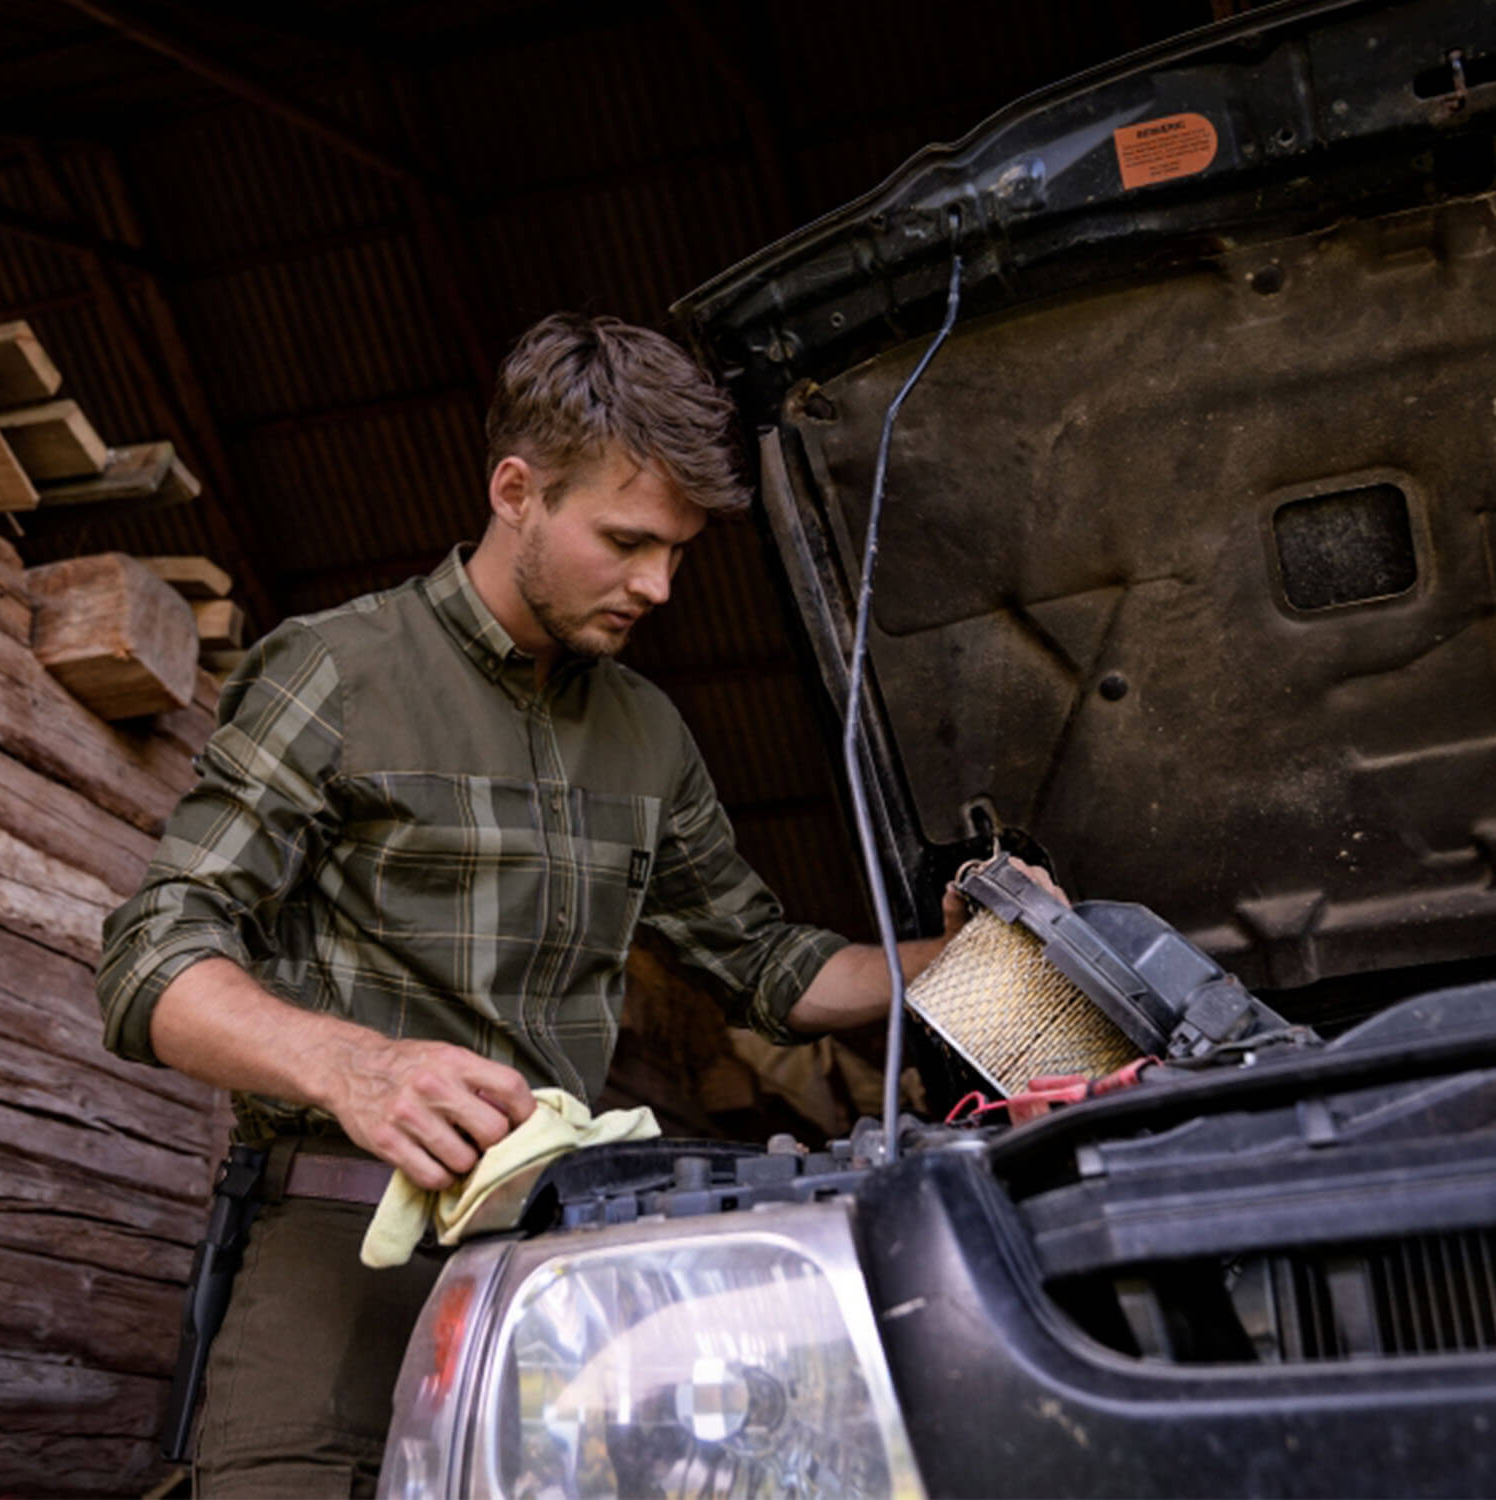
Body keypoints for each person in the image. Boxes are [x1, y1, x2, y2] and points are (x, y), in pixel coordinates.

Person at [95, 312, 978, 1496]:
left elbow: (774, 967)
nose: (658, 584)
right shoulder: (336, 673)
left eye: (677, 550)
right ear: (517, 490)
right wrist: (358, 1071)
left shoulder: (650, 735)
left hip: (568, 1273)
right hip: (339, 1253)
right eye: (625, 541)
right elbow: (151, 957)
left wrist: (969, 956)